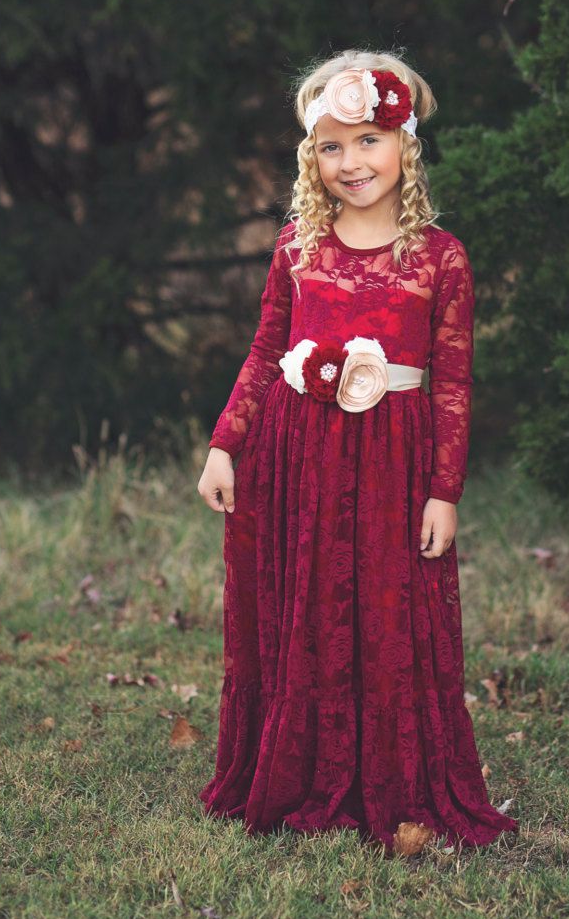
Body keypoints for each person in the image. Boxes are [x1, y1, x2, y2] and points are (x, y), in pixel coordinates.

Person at [196, 48, 519, 851]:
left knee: (385, 610)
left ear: (404, 143)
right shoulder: (298, 246)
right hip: (296, 456)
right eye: (332, 147)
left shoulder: (441, 257)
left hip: (393, 466)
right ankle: (299, 768)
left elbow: (452, 382)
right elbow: (266, 350)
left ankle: (388, 775)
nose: (352, 162)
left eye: (368, 140)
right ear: (313, 157)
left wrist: (444, 491)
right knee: (306, 606)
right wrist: (225, 444)